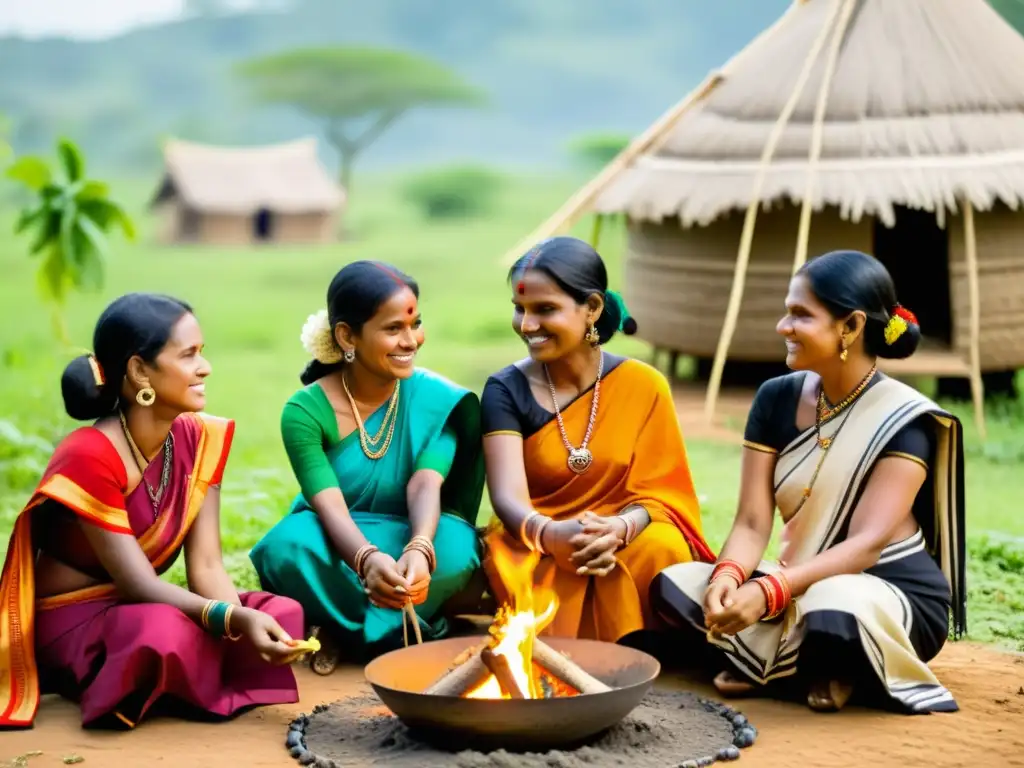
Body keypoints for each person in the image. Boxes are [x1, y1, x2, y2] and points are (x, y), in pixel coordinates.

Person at [654, 250, 966, 715]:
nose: (783, 325)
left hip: (882, 592)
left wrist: (768, 592)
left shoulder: (905, 420)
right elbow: (752, 521)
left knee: (833, 611)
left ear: (851, 326)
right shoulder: (775, 398)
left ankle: (783, 663)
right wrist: (730, 577)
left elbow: (866, 546)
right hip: (796, 583)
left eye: (800, 314)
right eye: (787, 311)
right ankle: (808, 668)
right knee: (675, 587)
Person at [0, 293, 304, 731]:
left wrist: (242, 622)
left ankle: (188, 672)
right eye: (189, 355)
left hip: (140, 606)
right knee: (164, 633)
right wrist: (234, 619)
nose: (205, 367)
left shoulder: (200, 439)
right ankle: (154, 674)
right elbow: (138, 583)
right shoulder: (90, 454)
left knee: (282, 615)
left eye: (202, 352)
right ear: (140, 370)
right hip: (77, 619)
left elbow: (206, 565)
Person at [249, 260, 485, 672]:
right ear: (347, 336)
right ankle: (410, 628)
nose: (410, 341)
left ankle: (343, 629)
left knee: (458, 548)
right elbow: (327, 505)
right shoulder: (305, 411)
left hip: (411, 527)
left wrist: (420, 547)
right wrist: (365, 559)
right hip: (335, 536)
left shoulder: (434, 398)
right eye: (393, 328)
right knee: (286, 547)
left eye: (416, 324)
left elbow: (425, 484)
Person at [480, 236, 715, 643]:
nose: (527, 325)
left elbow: (663, 494)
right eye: (519, 310)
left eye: (545, 309)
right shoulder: (504, 389)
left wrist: (621, 527)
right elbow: (507, 498)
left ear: (592, 308)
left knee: (662, 548)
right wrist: (552, 535)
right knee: (517, 558)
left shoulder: (644, 385)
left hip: (625, 533)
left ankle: (644, 644)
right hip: (538, 534)